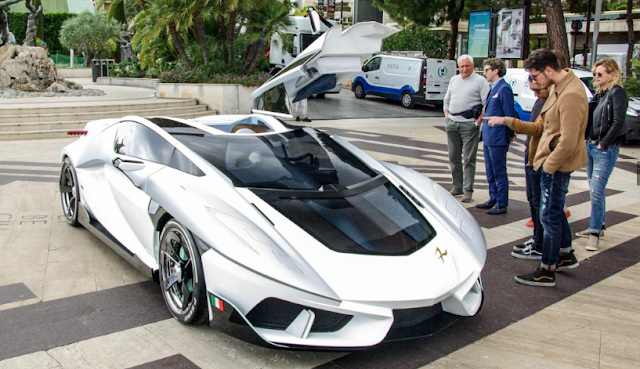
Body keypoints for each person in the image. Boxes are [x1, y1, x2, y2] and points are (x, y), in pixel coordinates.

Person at [486, 49, 587, 287]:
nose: (533, 82)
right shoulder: (558, 88)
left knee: (549, 216)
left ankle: (546, 270)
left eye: (535, 76)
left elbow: (568, 140)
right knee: (552, 212)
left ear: (548, 70)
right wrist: (507, 121)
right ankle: (564, 254)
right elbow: (542, 126)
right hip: (549, 161)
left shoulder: (570, 93)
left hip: (555, 164)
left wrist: (548, 167)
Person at [574, 58, 628, 251]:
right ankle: (598, 225)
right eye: (595, 73)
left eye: (599, 74)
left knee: (597, 190)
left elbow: (618, 122)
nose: (595, 77)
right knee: (594, 189)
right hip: (592, 146)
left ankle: (595, 231)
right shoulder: (601, 94)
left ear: (611, 74)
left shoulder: (617, 93)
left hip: (604, 149)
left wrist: (603, 143)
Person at [443, 55, 490, 203]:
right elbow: (447, 99)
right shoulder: (454, 79)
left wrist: (477, 122)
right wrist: (447, 116)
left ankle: (468, 190)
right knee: (453, 156)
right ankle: (457, 187)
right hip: (452, 123)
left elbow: (486, 104)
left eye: (467, 66)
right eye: (462, 66)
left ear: (473, 65)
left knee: (469, 159)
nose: (464, 69)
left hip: (469, 124)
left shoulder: (480, 81)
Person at [512, 80, 548, 259]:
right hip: (533, 152)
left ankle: (541, 243)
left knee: (539, 200)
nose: (534, 92)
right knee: (533, 198)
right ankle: (537, 240)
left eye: (536, 88)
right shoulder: (541, 100)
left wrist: (509, 122)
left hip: (541, 157)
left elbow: (537, 128)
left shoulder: (549, 101)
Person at [477, 58, 517, 214]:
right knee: (490, 170)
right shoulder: (494, 87)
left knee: (499, 171)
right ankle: (493, 198)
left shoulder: (504, 88)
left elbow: (509, 113)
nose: (485, 73)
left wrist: (511, 133)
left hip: (498, 137)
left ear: (496, 70)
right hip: (489, 136)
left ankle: (501, 202)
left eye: (487, 69)